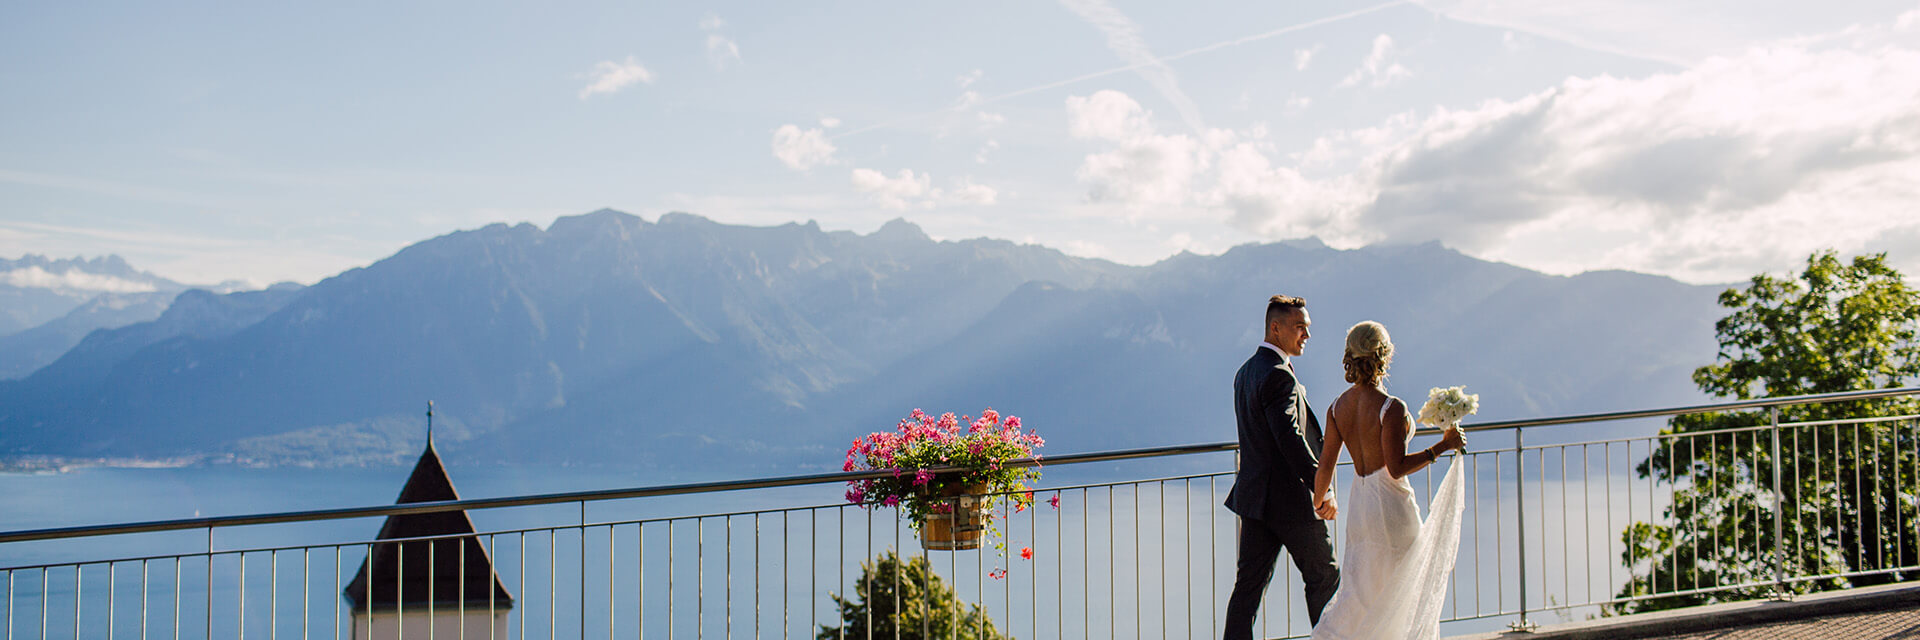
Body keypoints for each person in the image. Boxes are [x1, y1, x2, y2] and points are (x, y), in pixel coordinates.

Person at [1308, 321, 1469, 639]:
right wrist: (1442, 446)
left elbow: (1325, 464)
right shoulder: (1391, 408)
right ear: (1384, 355)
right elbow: (1395, 468)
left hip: (1361, 507)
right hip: (1393, 507)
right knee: (1405, 589)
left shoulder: (1337, 407)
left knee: (1363, 592)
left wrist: (1319, 501)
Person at [1223, 295, 1341, 640]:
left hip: (1256, 500)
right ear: (1276, 328)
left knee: (1248, 587)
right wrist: (1322, 487)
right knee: (1324, 578)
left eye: (1307, 327)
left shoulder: (1246, 372)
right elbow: (1289, 439)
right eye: (1299, 327)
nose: (1306, 334)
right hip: (1290, 502)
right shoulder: (1278, 376)